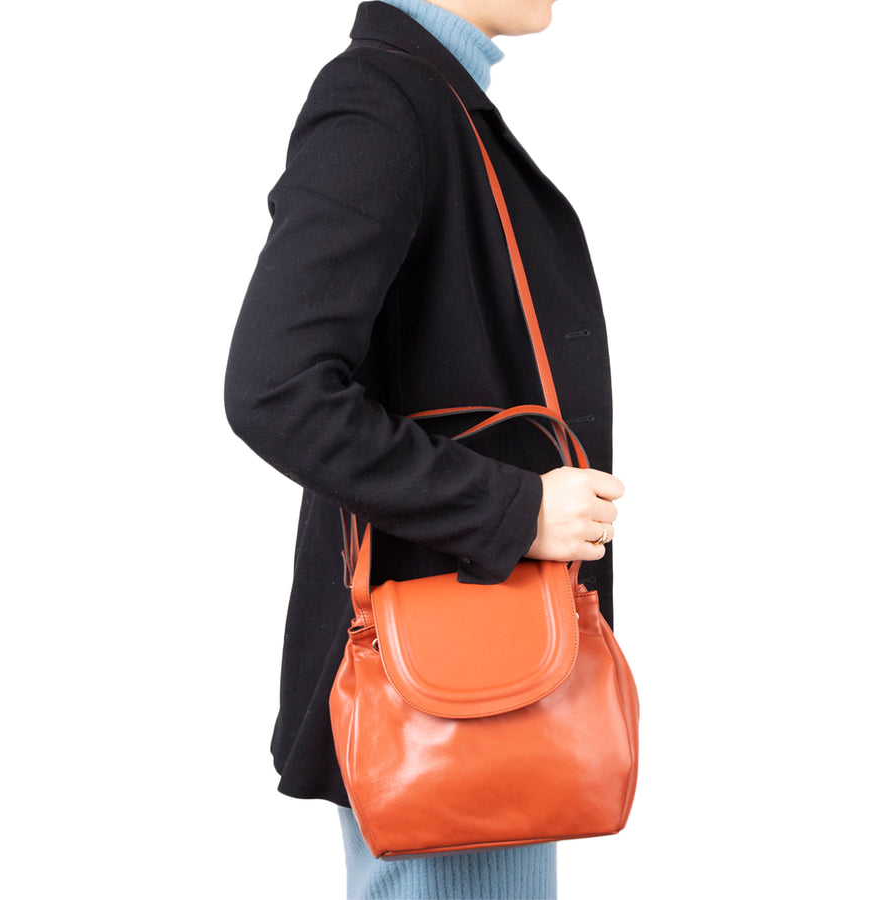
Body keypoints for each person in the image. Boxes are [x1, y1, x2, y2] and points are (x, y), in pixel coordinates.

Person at [224, 1, 624, 896]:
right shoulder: (382, 100)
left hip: (482, 674)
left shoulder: (433, 101)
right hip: (449, 691)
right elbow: (275, 388)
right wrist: (515, 510)